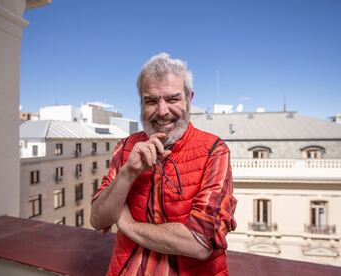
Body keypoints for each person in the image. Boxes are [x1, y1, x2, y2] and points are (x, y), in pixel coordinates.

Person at [90, 53, 237, 275]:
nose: (161, 111)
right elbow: (97, 219)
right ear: (141, 103)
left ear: (189, 98)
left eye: (172, 99)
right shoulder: (126, 147)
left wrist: (127, 224)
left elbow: (200, 242)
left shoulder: (214, 151)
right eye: (151, 100)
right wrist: (128, 172)